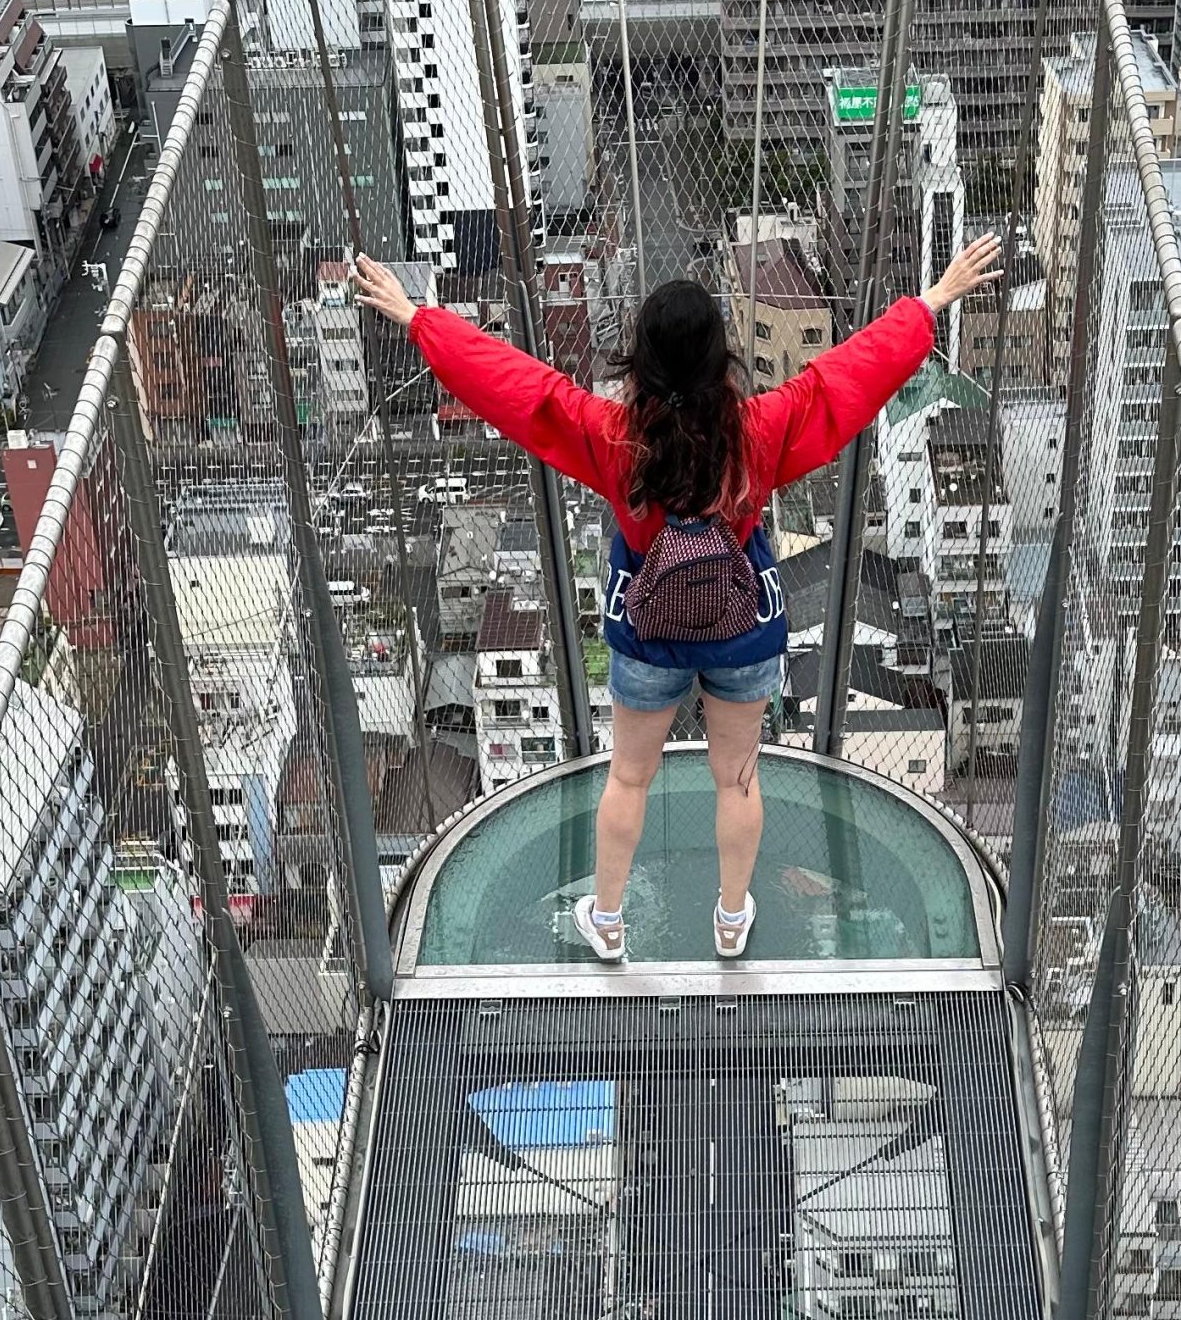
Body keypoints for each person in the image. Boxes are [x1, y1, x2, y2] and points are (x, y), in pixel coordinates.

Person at [354, 237, 1003, 961]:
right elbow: (845, 379)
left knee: (629, 776)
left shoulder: (614, 436)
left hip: (649, 631)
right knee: (738, 777)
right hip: (741, 626)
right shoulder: (755, 433)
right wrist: (931, 302)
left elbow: (520, 388)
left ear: (643, 359)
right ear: (720, 357)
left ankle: (606, 917)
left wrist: (420, 317)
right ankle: (730, 919)